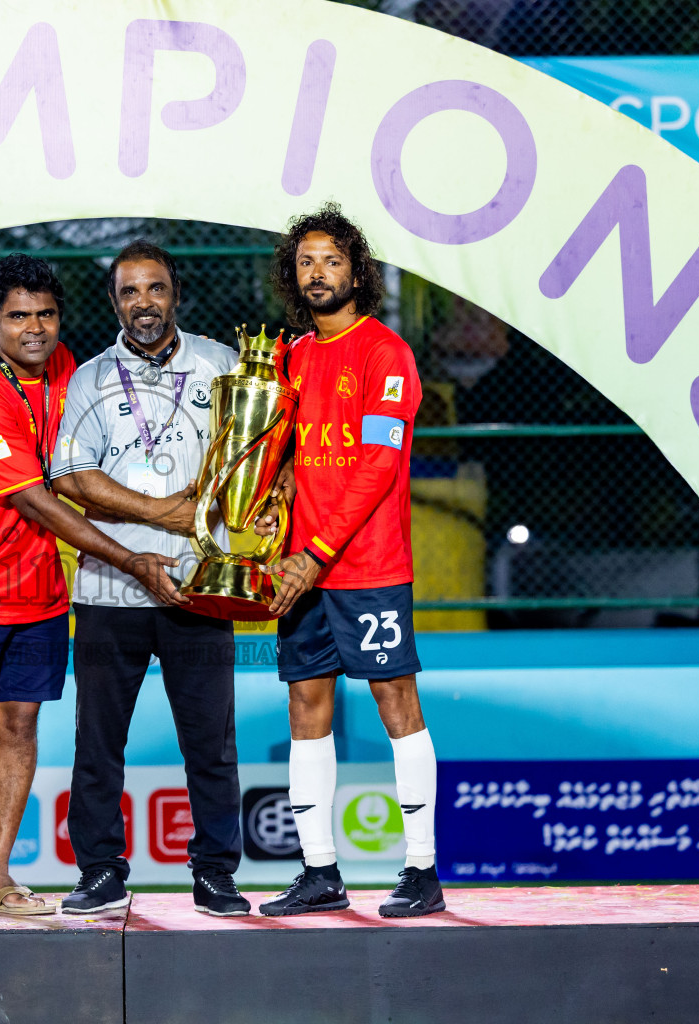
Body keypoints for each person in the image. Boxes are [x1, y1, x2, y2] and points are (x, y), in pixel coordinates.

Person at [0, 253, 184, 920]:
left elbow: (87, 466)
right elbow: (39, 501)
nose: (35, 328)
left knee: (20, 725)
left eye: (46, 314)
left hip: (37, 589)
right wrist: (133, 556)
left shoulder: (67, 369)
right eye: (19, 317)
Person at [49, 241, 250, 917]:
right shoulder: (90, 378)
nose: (143, 303)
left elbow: (250, 459)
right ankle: (101, 871)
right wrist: (159, 510)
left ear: (176, 293)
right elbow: (72, 478)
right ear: (115, 302)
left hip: (200, 584)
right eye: (130, 292)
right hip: (111, 588)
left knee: (211, 742)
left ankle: (216, 873)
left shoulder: (222, 364)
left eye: (155, 289)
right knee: (98, 742)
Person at [256, 204, 443, 918]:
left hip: (364, 567)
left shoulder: (384, 352)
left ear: (356, 271)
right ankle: (319, 872)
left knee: (396, 705)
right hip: (301, 568)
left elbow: (374, 464)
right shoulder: (293, 355)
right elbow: (292, 457)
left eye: (332, 260)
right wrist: (274, 499)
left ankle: (421, 871)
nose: (318, 273)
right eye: (305, 262)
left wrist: (315, 552)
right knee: (307, 706)